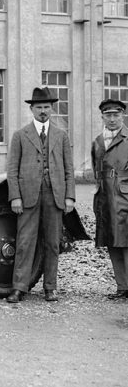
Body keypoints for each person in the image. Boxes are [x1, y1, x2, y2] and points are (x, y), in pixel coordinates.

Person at [6, 86, 75, 303]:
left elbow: (69, 169)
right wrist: (15, 196)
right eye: (38, 107)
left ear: (52, 109)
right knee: (25, 241)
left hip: (54, 195)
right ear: (32, 109)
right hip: (27, 196)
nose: (43, 111)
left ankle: (50, 288)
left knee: (53, 243)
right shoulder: (20, 135)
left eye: (46, 107)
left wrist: (69, 197)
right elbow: (12, 170)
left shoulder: (61, 136)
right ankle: (19, 287)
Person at [91, 98, 128, 299]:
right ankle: (122, 287)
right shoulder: (98, 142)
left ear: (122, 115)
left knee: (126, 243)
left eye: (116, 115)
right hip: (105, 199)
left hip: (125, 198)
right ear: (103, 117)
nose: (112, 119)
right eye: (108, 115)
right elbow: (96, 170)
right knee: (112, 242)